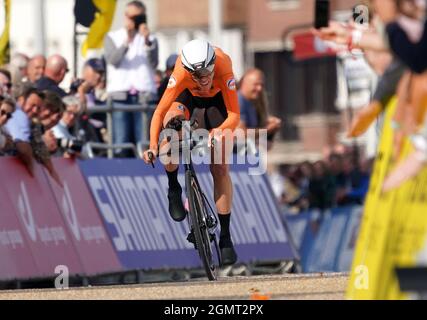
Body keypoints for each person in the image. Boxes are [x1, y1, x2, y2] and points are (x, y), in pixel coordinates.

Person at [142, 39, 240, 265]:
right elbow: (158, 112)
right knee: (169, 128)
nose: (204, 78)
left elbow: (234, 115)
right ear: (187, 70)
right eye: (197, 75)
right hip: (187, 99)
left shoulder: (223, 65)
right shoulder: (180, 72)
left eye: (207, 72)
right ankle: (173, 186)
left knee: (220, 166)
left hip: (217, 103)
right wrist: (153, 146)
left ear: (213, 64)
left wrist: (219, 130)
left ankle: (225, 237)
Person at [104, 0, 158, 157]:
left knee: (144, 143)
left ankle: (147, 172)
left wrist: (147, 40)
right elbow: (113, 60)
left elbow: (154, 62)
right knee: (121, 143)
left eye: (138, 17)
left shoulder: (150, 38)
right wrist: (127, 41)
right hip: (120, 95)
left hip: (144, 96)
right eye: (131, 16)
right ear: (125, 17)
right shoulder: (113, 36)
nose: (133, 20)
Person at [237, 68, 281, 151]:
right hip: (234, 157)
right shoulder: (239, 101)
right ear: (244, 83)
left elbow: (266, 146)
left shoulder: (252, 103)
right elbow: (241, 134)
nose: (259, 88)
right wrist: (268, 129)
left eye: (262, 85)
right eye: (256, 84)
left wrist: (271, 129)